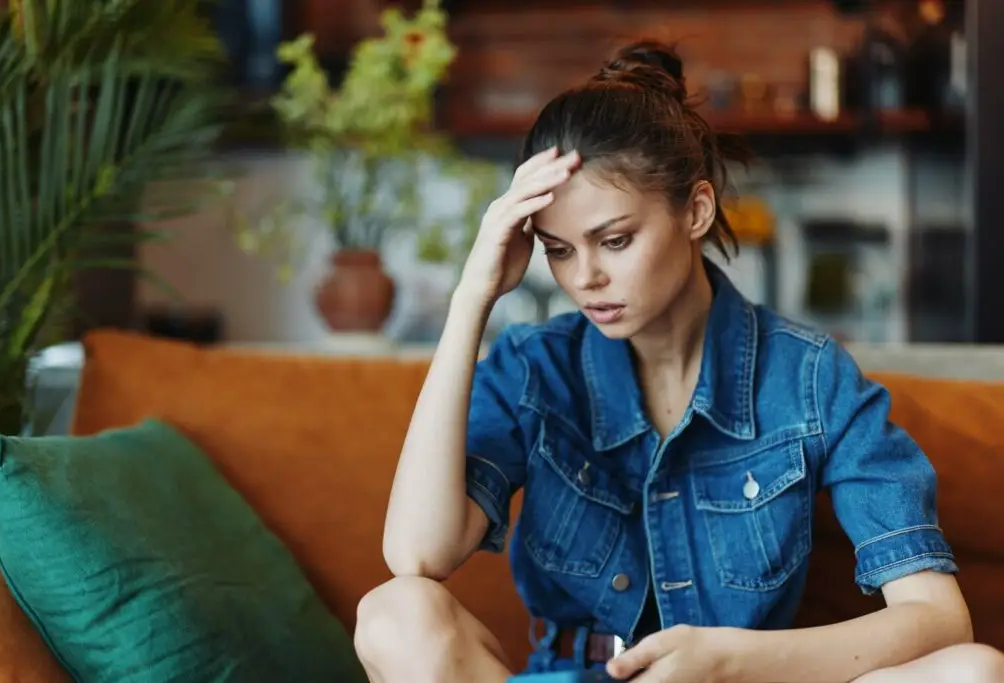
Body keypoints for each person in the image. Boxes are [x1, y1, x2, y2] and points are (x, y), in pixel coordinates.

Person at [353, 40, 1004, 683]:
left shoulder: (809, 379)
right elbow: (416, 553)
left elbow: (939, 618)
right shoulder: (533, 367)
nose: (586, 279)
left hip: (741, 680)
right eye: (557, 249)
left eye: (614, 240)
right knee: (394, 612)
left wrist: (730, 661)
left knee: (972, 671)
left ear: (696, 210)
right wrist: (473, 295)